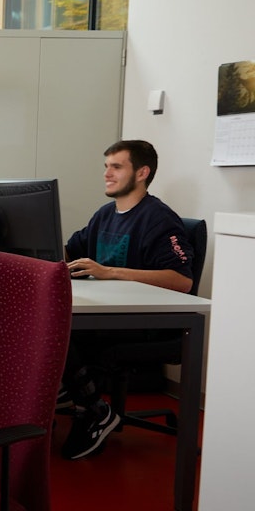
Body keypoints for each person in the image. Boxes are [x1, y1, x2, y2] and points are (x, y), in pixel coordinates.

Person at [59, 139, 195, 460]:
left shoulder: (159, 219)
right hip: (107, 313)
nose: (107, 173)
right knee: (48, 321)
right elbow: (71, 250)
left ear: (142, 173)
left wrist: (111, 273)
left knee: (62, 330)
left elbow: (182, 280)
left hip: (145, 323)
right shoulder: (105, 215)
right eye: (106, 166)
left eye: (116, 167)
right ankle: (77, 396)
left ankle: (94, 410)